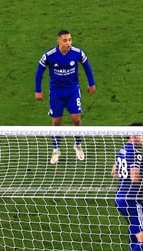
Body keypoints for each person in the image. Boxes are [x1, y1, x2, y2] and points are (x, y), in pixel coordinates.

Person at [34, 29, 96, 165]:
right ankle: (56, 149)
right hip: (56, 92)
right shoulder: (49, 55)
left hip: (72, 91)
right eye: (65, 40)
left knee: (76, 118)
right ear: (59, 41)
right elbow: (39, 72)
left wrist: (91, 83)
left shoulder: (77, 53)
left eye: (70, 40)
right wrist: (37, 90)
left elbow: (87, 67)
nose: (68, 43)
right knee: (56, 121)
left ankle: (78, 145)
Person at [111, 123, 143, 251]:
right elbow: (134, 177)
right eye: (142, 134)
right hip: (132, 200)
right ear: (134, 135)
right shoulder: (136, 153)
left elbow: (114, 173)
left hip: (120, 198)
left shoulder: (122, 150)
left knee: (136, 228)